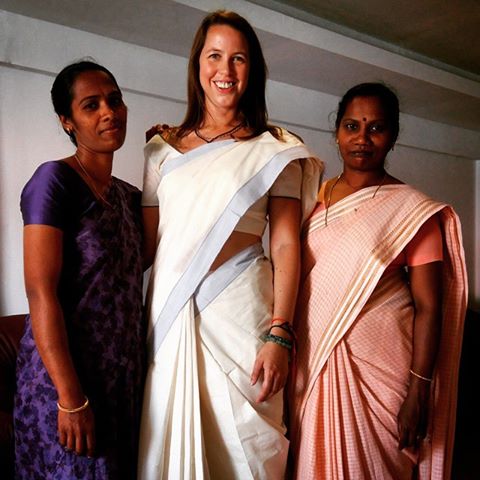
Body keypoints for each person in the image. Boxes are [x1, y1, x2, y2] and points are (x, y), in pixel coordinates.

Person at [137, 10, 322, 479]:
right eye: (214, 56)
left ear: (253, 69)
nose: (225, 70)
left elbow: (284, 246)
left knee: (252, 451)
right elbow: (148, 245)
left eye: (238, 58)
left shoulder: (276, 148)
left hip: (243, 316)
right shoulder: (162, 151)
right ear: (197, 65)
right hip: (173, 316)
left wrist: (280, 332)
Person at [288, 83, 468, 479]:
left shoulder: (412, 210)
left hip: (384, 376)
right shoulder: (310, 200)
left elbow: (430, 306)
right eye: (352, 126)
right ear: (337, 131)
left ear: (393, 136)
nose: (362, 139)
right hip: (316, 367)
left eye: (376, 128)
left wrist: (418, 390)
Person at [14, 61, 144, 479]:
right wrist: (70, 398)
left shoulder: (128, 196)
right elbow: (40, 294)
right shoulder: (54, 181)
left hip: (119, 381)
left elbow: (149, 257)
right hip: (66, 381)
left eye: (115, 99)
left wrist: (168, 155)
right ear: (67, 121)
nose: (109, 111)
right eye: (91, 105)